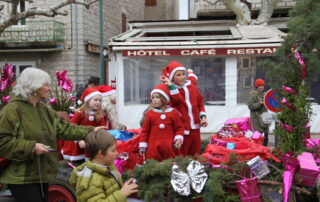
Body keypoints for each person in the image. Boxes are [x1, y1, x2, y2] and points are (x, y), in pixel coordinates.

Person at [0, 68, 105, 202]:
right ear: (34, 86)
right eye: (46, 85)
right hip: (21, 178)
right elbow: (2, 141)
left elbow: (63, 128)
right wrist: (32, 147)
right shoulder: (12, 110)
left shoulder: (42, 109)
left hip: (41, 174)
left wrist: (91, 131)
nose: (50, 89)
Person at [69, 130, 138, 202]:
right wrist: (122, 193)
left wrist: (125, 187)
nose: (116, 153)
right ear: (101, 154)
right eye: (113, 150)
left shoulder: (109, 166)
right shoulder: (91, 180)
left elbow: (112, 189)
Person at [160, 61, 208, 156]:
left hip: (195, 127)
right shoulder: (170, 91)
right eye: (178, 75)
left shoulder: (193, 88)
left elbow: (200, 104)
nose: (182, 77)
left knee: (196, 154)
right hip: (181, 130)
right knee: (182, 155)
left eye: (183, 74)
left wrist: (203, 117)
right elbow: (178, 100)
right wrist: (170, 85)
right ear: (172, 78)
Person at [139, 84, 184, 161]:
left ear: (164, 99)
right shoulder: (150, 114)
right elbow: (145, 131)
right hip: (153, 149)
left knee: (170, 165)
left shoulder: (173, 113)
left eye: (157, 97)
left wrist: (178, 139)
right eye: (152, 97)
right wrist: (143, 146)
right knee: (153, 166)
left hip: (170, 148)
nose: (154, 100)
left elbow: (179, 128)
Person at [62, 87, 106, 161]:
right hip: (78, 137)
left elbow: (102, 129)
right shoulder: (80, 113)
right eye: (95, 100)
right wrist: (79, 140)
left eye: (100, 101)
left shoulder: (100, 115)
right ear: (88, 101)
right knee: (81, 147)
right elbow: (72, 128)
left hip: (93, 139)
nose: (98, 102)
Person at [248, 78, 269, 146]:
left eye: (262, 85)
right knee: (259, 138)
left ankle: (265, 153)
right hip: (257, 120)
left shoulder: (266, 95)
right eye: (259, 85)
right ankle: (259, 154)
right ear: (256, 87)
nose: (261, 87)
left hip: (265, 120)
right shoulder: (254, 95)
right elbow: (250, 106)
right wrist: (259, 103)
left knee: (266, 137)